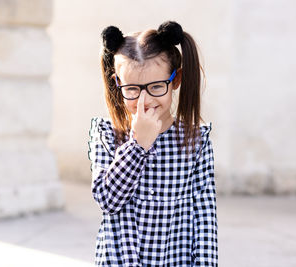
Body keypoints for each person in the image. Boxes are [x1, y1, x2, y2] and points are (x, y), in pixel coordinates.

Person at [87, 21, 218, 266]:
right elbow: (107, 200)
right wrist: (138, 145)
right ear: (118, 83)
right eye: (133, 90)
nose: (144, 101)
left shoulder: (196, 141)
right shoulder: (106, 133)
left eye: (157, 87)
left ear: (175, 79)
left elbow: (205, 219)